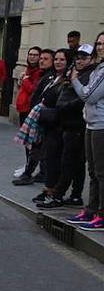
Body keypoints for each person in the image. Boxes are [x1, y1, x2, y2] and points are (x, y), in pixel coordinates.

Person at [36, 46, 90, 209]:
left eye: (84, 58)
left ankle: (59, 195)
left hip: (77, 125)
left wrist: (64, 106)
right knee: (75, 163)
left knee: (70, 163)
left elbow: (84, 97)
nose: (80, 61)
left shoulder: (85, 76)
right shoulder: (74, 74)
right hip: (68, 125)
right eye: (78, 57)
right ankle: (74, 196)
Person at [32, 49, 76, 208]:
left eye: (61, 60)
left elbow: (62, 100)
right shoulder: (51, 76)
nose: (58, 62)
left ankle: (54, 192)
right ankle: (48, 189)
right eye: (56, 59)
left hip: (59, 125)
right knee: (48, 159)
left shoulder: (69, 79)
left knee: (56, 160)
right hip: (48, 124)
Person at [71, 31, 104, 230]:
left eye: (103, 44)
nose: (100, 47)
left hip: (101, 126)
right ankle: (91, 210)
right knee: (92, 171)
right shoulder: (98, 68)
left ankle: (101, 214)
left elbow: (89, 96)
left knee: (101, 173)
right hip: (91, 124)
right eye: (98, 43)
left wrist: (75, 79)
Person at [13, 47, 47, 186]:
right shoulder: (28, 70)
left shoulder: (39, 72)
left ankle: (30, 168)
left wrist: (25, 81)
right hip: (23, 108)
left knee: (32, 142)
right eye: (30, 54)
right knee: (27, 142)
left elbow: (34, 90)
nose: (32, 57)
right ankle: (28, 165)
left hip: (30, 109)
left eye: (35, 55)